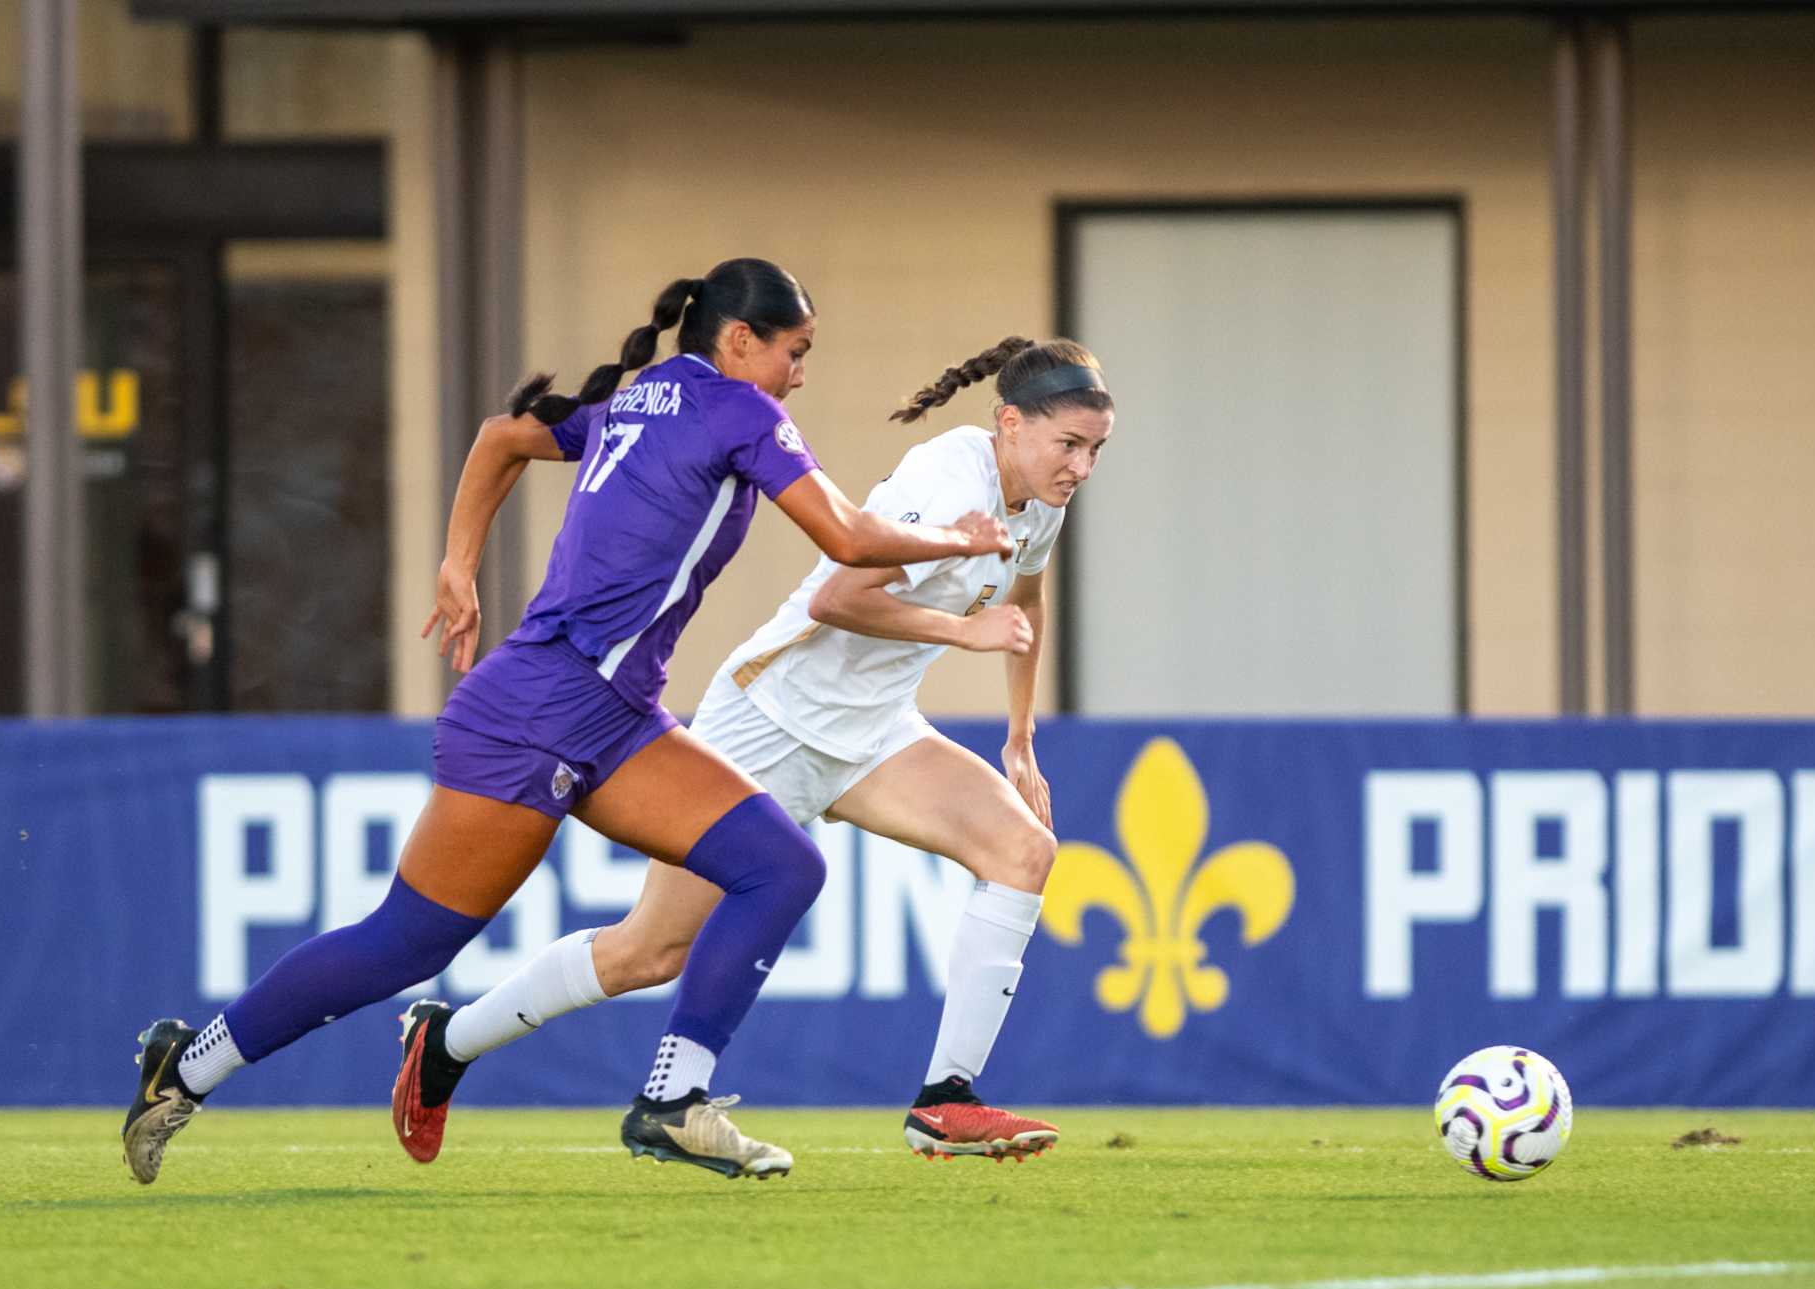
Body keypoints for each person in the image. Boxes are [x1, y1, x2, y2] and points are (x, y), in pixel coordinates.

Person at [123, 258, 1012, 1185]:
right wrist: (963, 537)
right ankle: (186, 1064)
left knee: (780, 864)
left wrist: (459, 565)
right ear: (740, 340)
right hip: (537, 711)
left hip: (616, 714)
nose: (801, 372)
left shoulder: (644, 401)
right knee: (409, 941)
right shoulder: (741, 411)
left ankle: (672, 1100)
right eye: (796, 351)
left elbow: (502, 436)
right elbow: (850, 540)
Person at [391, 338, 1113, 1164]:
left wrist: (1020, 736)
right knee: (648, 950)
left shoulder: (1041, 499)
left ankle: (946, 1100)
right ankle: (446, 1039)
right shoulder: (948, 479)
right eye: (1070, 444)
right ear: (1009, 422)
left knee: (1023, 850)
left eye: (1096, 448)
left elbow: (1027, 599)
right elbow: (843, 597)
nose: (1082, 466)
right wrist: (961, 629)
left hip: (872, 729)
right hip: (769, 717)